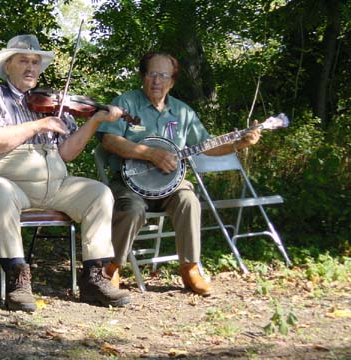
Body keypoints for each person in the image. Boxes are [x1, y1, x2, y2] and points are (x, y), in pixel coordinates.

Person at [0, 34, 131, 312]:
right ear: (7, 66)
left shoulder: (54, 103)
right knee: (1, 191)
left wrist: (96, 121)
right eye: (23, 61)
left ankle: (94, 279)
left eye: (35, 62)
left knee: (99, 193)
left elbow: (66, 153)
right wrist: (39, 125)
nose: (31, 68)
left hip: (53, 185)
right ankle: (17, 280)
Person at [96, 52, 262, 296]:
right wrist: (149, 154)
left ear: (172, 82)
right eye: (152, 74)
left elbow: (206, 145)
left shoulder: (183, 112)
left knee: (189, 200)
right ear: (143, 77)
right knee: (131, 209)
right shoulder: (126, 103)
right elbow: (109, 140)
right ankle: (111, 267)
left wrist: (239, 143)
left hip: (170, 184)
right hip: (128, 183)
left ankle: (190, 268)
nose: (156, 81)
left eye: (163, 76)